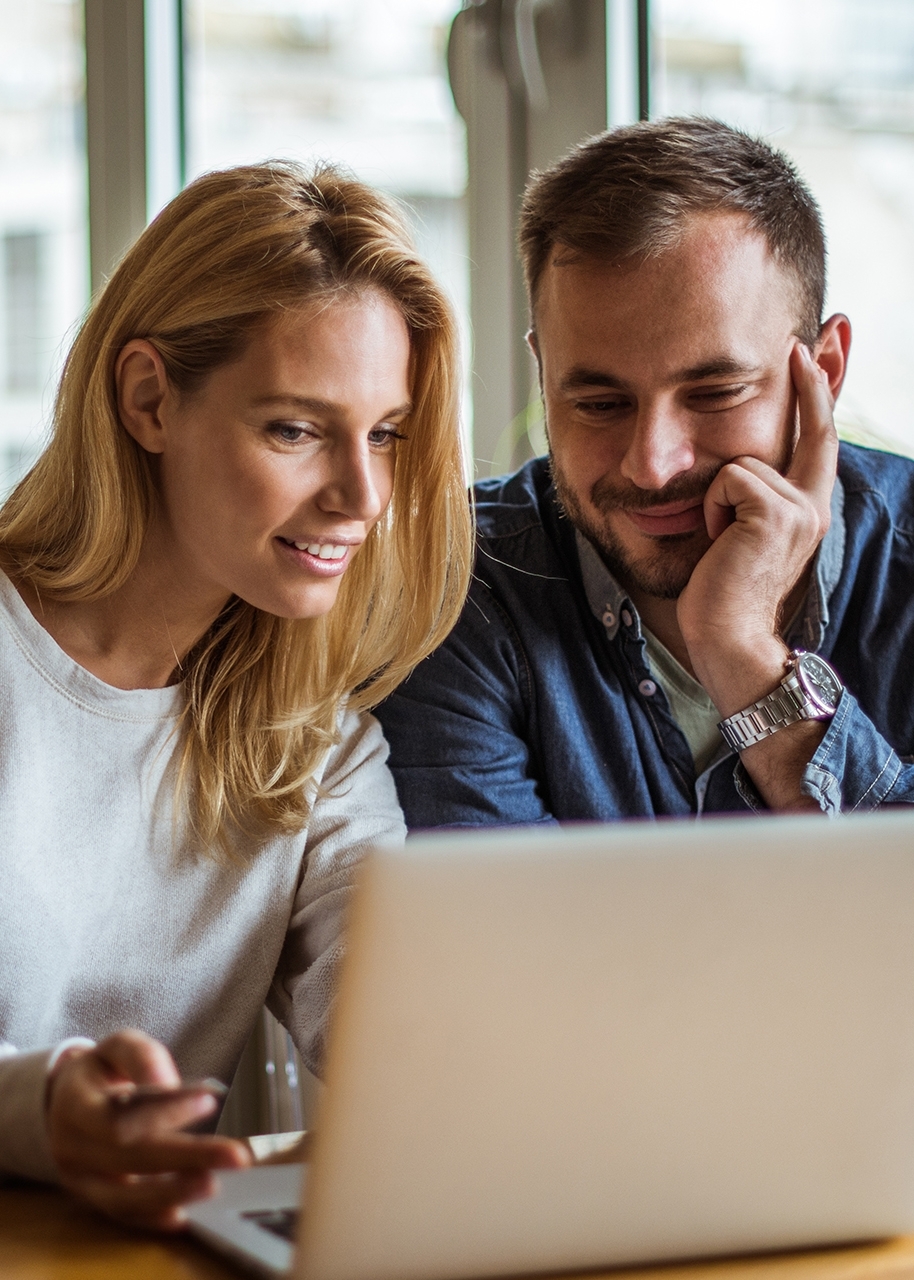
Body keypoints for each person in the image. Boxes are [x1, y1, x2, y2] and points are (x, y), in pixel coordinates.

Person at [0, 161, 472, 1227]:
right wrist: (42, 1109)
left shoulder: (317, 739)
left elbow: (386, 1018)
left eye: (386, 432)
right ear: (148, 399)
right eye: (296, 429)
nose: (361, 496)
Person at [376, 116, 914, 826]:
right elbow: (496, 937)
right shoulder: (452, 589)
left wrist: (746, 655)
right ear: (545, 378)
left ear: (824, 371)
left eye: (715, 393)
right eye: (600, 403)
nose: (654, 465)